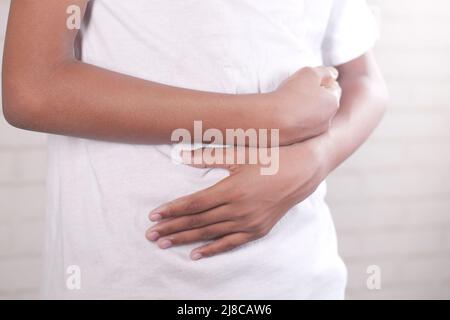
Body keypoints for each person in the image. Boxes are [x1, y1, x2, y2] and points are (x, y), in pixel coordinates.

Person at [2, 0, 388, 299]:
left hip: (300, 276)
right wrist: (270, 116)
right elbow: (32, 88)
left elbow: (365, 79)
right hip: (130, 277)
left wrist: (316, 159)